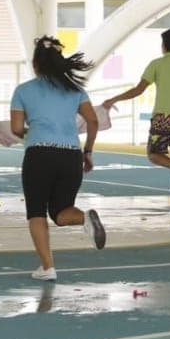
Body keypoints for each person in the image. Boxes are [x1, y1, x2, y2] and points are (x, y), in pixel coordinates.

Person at [11, 36, 105, 281]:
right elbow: (93, 121)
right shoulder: (76, 90)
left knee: (37, 212)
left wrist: (30, 132)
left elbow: (16, 128)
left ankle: (48, 267)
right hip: (71, 155)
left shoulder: (23, 91)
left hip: (39, 154)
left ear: (36, 64)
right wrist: (88, 151)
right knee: (62, 211)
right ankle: (85, 217)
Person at [102, 27, 170, 220]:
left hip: (162, 118)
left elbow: (138, 90)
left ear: (164, 46)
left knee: (154, 155)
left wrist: (114, 99)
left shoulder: (156, 64)